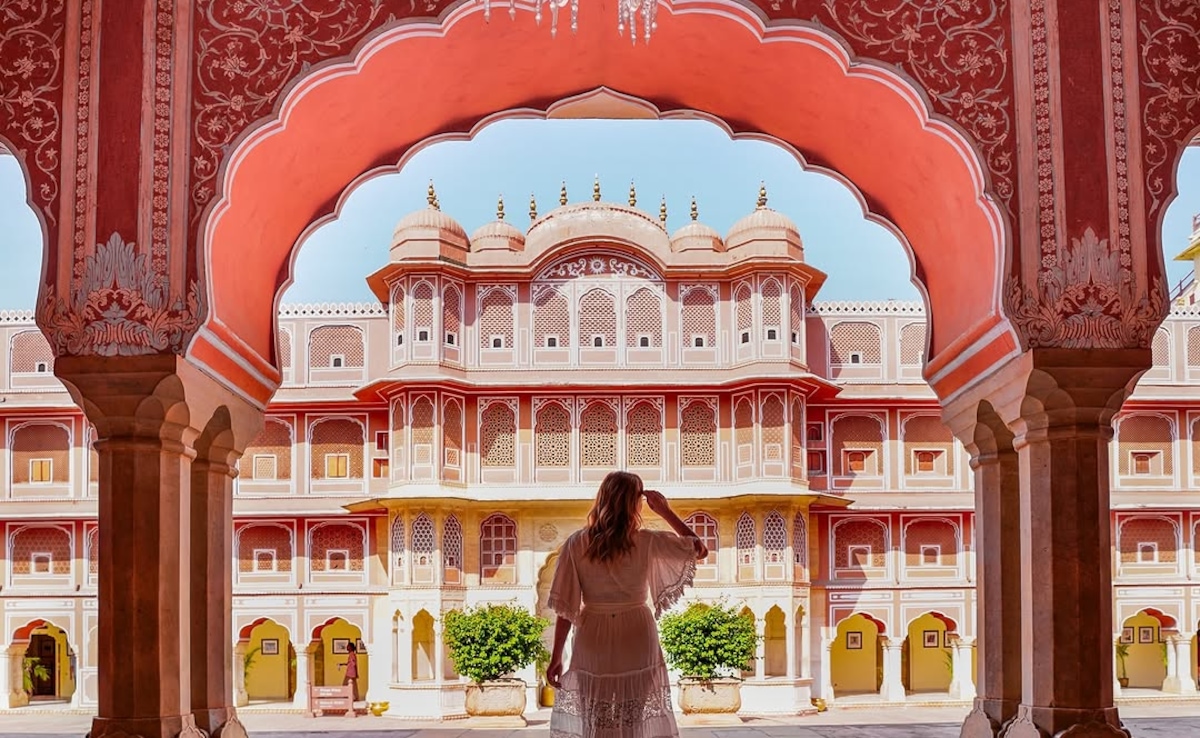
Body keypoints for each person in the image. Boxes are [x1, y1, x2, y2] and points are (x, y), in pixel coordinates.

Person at [546, 471, 707, 738]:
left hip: (592, 633)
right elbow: (699, 549)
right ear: (635, 502)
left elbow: (566, 607)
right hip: (636, 631)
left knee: (593, 717)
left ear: (603, 498)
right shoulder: (646, 541)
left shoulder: (577, 542)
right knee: (634, 717)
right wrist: (666, 512)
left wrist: (556, 658)